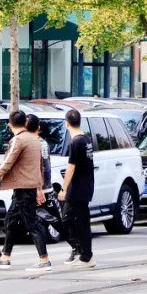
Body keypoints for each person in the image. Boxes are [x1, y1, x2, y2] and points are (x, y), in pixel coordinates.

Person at [0, 110, 51, 271]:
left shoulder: (18, 140)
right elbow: (37, 166)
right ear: (25, 123)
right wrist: (39, 188)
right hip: (25, 187)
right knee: (10, 221)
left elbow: (8, 163)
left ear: (9, 125)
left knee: (31, 224)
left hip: (24, 188)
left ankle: (44, 259)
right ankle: (5, 256)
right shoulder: (35, 139)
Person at [58, 108, 95, 268]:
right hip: (85, 186)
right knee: (80, 221)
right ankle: (81, 252)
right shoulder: (86, 139)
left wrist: (64, 189)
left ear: (67, 124)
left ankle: (84, 254)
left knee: (68, 219)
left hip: (78, 188)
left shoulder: (76, 142)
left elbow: (71, 167)